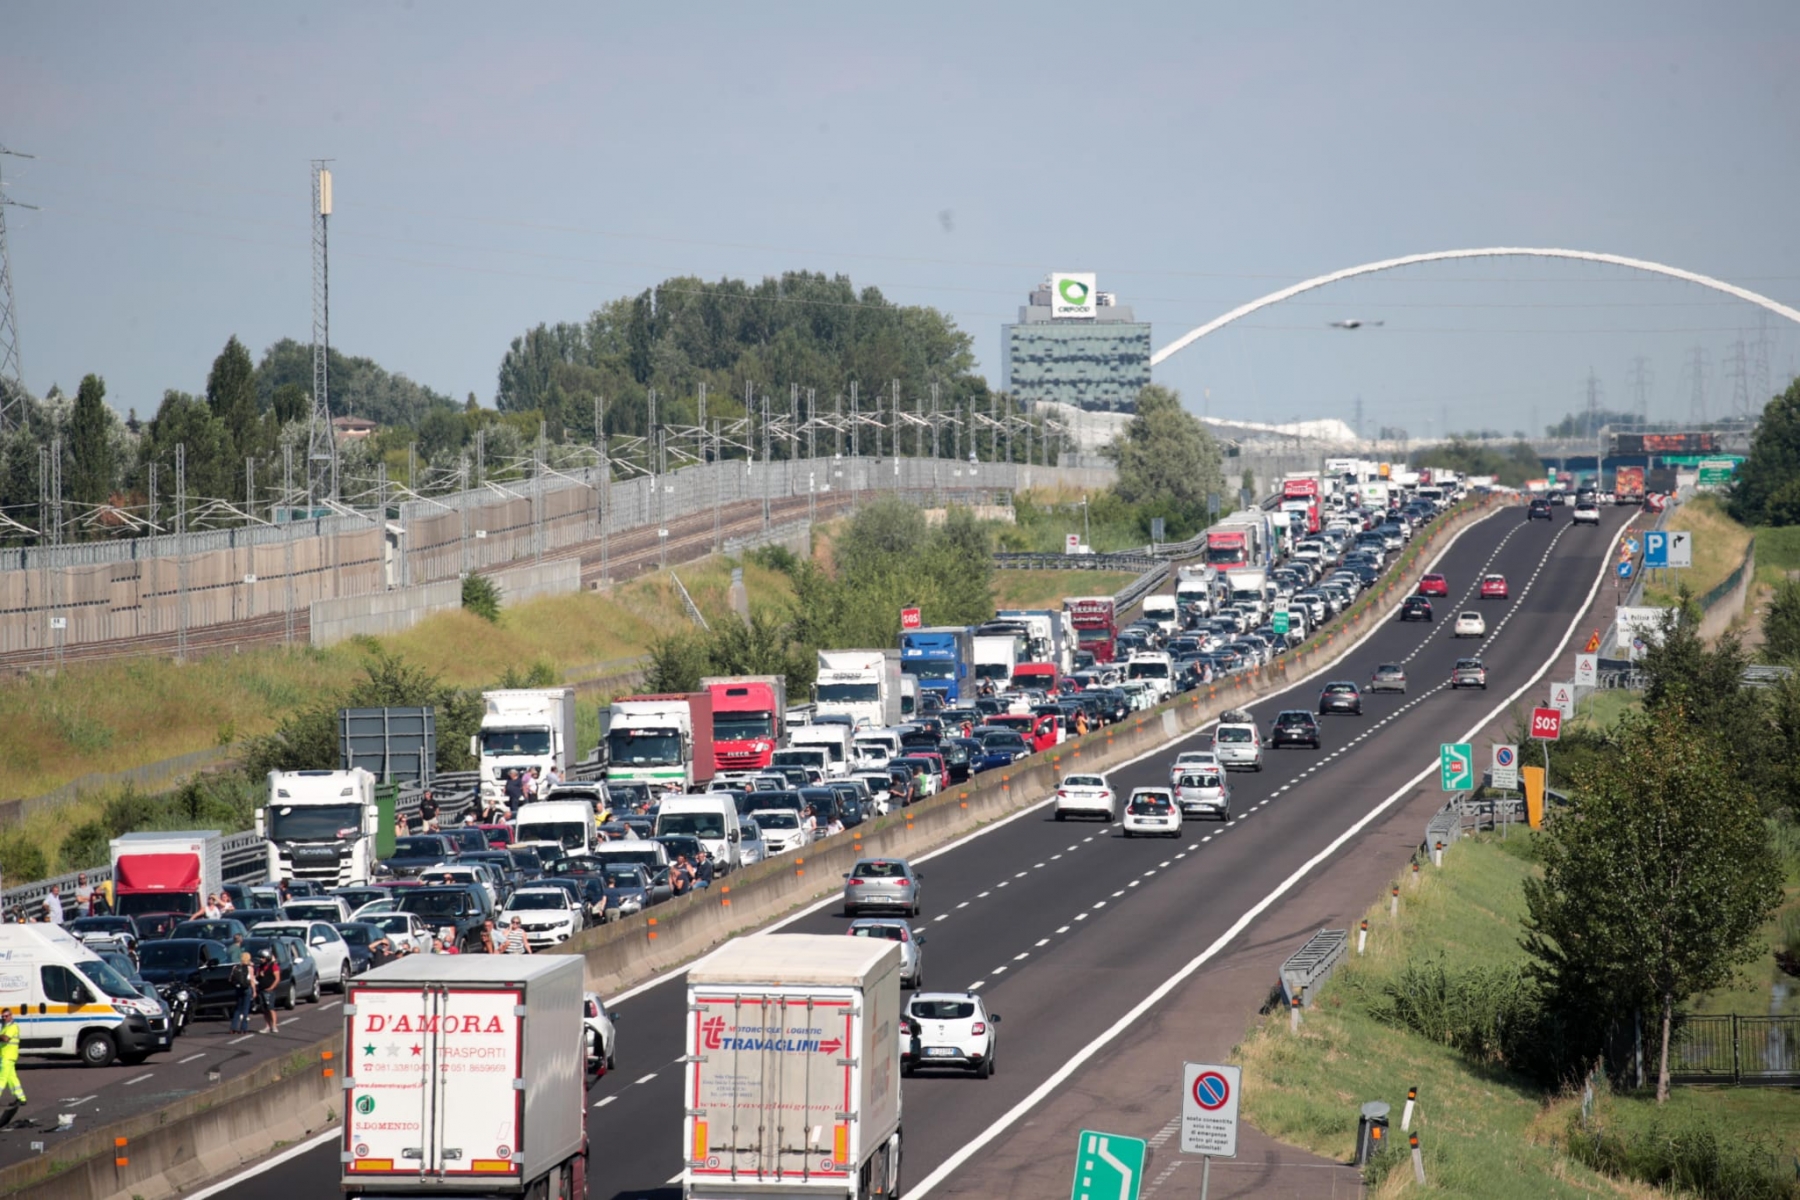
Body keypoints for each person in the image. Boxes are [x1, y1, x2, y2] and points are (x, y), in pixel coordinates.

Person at [0, 1010, 24, 1109]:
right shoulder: (5, 1027)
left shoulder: (13, 1027)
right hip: (6, 1055)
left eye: (6, 1016)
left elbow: (6, 1039)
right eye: (3, 1017)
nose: (4, 1018)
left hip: (8, 1056)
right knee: (12, 1078)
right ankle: (21, 1098)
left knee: (2, 1078)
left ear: (11, 1016)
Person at [228, 951, 256, 1033]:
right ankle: (244, 1028)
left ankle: (233, 1027)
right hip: (247, 989)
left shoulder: (235, 967)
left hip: (238, 989)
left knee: (238, 1008)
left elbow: (230, 979)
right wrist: (254, 991)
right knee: (245, 1009)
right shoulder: (249, 968)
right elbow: (252, 980)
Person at [255, 951, 281, 1034]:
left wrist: (272, 987)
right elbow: (256, 977)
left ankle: (274, 1025)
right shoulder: (260, 967)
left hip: (269, 990)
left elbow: (277, 978)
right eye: (261, 958)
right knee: (264, 1009)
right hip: (261, 989)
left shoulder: (273, 966)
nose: (261, 959)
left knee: (270, 1008)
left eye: (263, 958)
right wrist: (259, 975)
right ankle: (267, 1025)